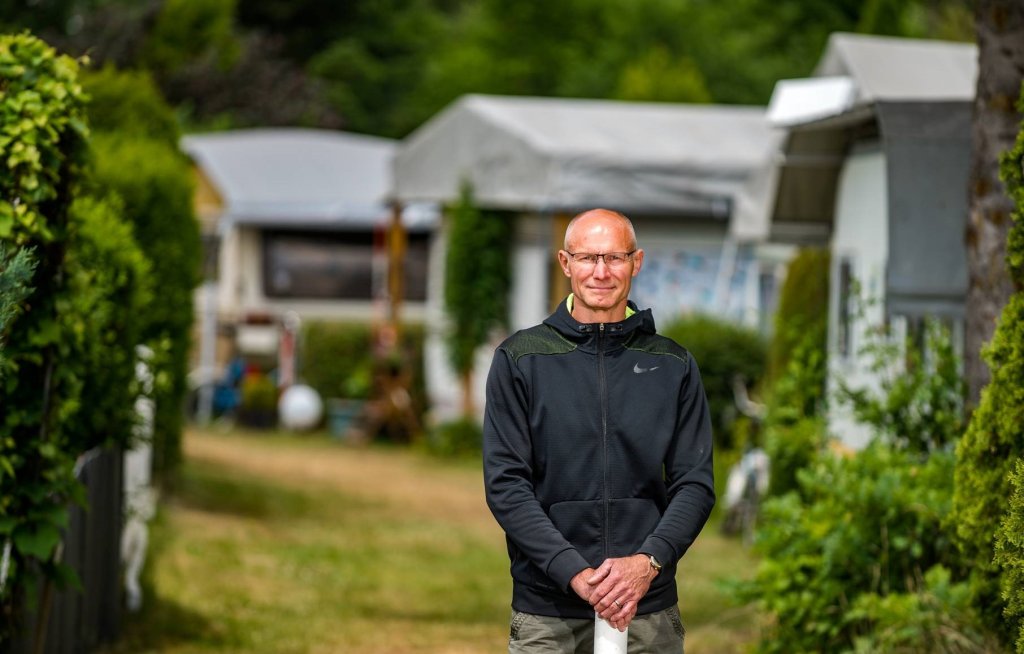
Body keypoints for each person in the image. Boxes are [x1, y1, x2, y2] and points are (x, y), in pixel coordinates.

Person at [483, 208, 715, 654]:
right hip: (547, 612)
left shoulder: (674, 365)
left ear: (637, 262)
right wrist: (573, 571)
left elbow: (695, 484)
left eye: (615, 257)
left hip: (647, 606)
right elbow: (506, 486)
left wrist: (645, 565)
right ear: (566, 263)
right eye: (588, 258)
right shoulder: (520, 359)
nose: (601, 272)